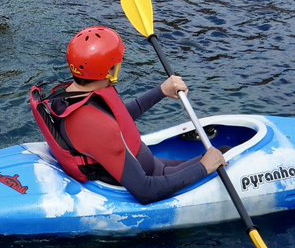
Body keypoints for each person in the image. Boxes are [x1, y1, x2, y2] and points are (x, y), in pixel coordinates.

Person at [30, 26, 225, 205]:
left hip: (154, 168)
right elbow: (146, 191)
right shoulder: (92, 125)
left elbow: (119, 118)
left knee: (223, 151)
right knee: (224, 157)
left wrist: (161, 91)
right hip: (150, 181)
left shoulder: (73, 93)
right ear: (110, 71)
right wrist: (203, 167)